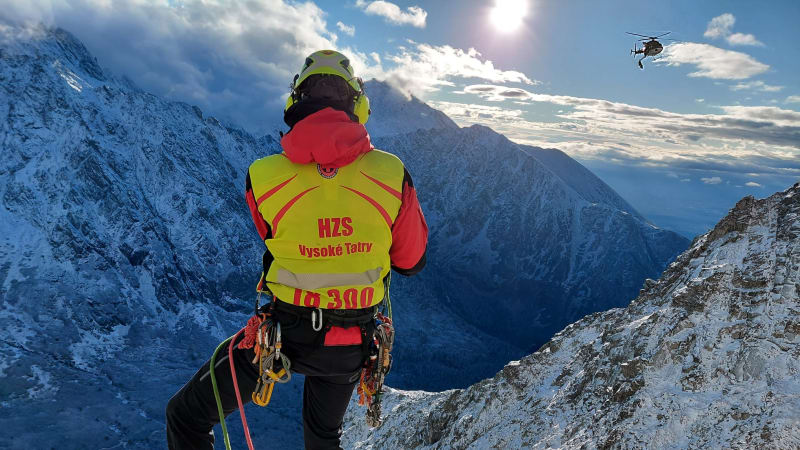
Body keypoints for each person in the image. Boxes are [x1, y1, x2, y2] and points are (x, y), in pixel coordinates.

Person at [165, 49, 428, 450]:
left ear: (294, 103)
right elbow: (410, 261)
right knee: (323, 438)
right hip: (352, 341)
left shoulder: (263, 177)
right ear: (359, 104)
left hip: (281, 335)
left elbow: (276, 236)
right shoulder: (393, 174)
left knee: (185, 418)